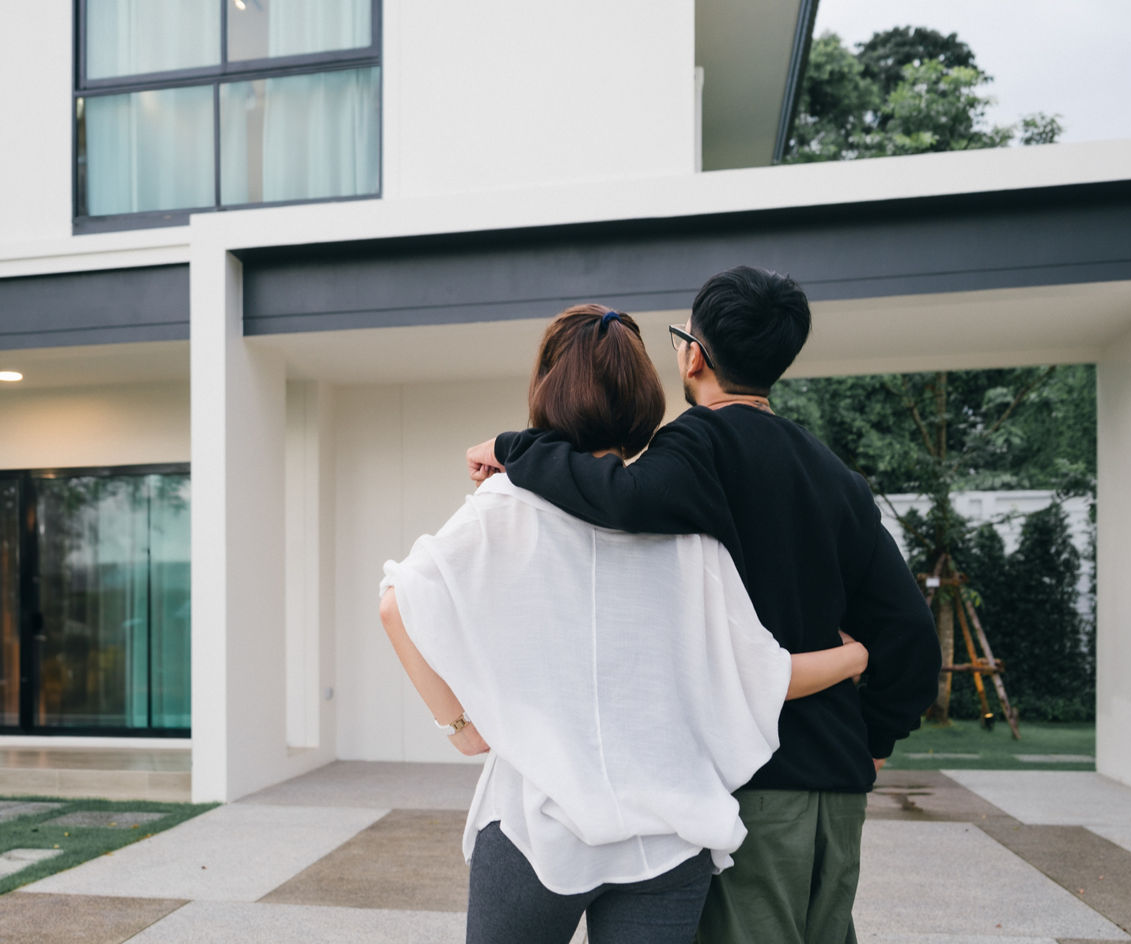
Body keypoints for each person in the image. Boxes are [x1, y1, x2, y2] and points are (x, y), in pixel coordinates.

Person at [466, 268, 942, 944]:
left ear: (694, 353)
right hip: (836, 787)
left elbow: (615, 497)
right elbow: (912, 635)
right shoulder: (837, 478)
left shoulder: (698, 446)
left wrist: (513, 449)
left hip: (752, 776)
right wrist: (875, 744)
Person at [380, 304, 874, 944]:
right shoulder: (684, 530)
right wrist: (858, 656)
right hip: (666, 837)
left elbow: (397, 603)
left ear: (547, 390)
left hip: (538, 822)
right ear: (644, 400)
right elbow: (764, 676)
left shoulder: (502, 508)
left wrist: (459, 729)